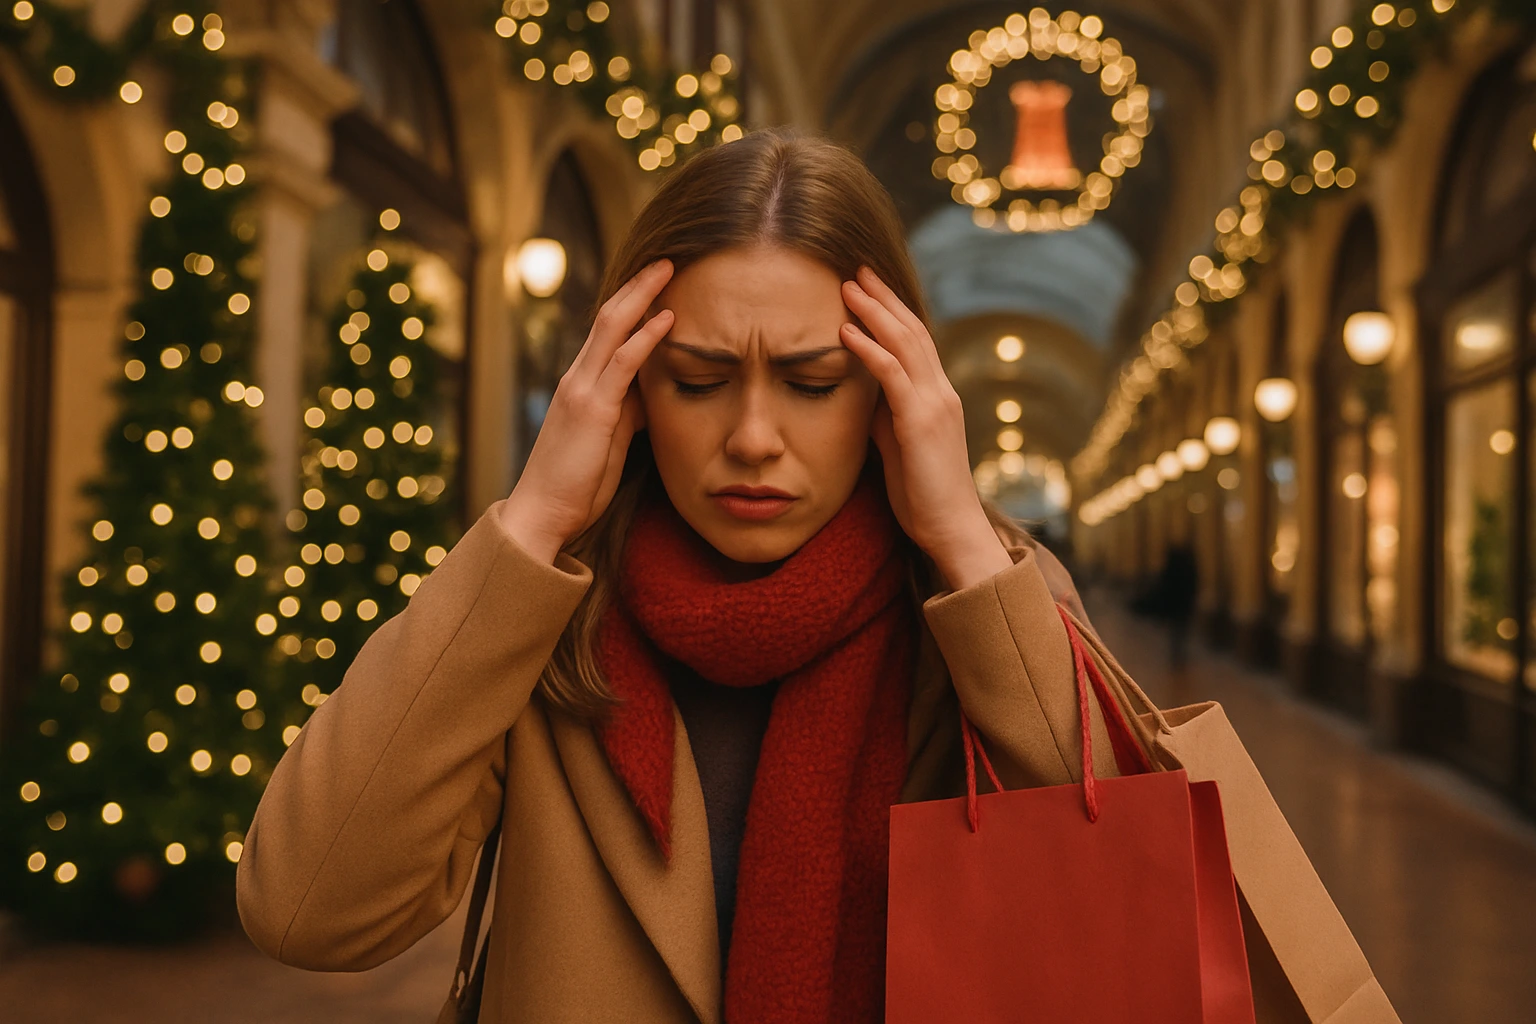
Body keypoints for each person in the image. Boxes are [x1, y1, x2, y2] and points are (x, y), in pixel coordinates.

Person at [235, 128, 1123, 1024]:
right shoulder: (543, 607)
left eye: (814, 383)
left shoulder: (981, 598)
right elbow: (307, 912)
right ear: (626, 388)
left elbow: (1117, 879)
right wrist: (535, 519)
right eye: (698, 381)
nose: (753, 438)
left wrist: (960, 540)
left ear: (894, 395)